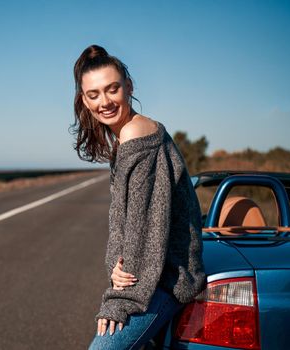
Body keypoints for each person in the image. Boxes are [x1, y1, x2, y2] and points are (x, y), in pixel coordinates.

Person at [71, 45, 206, 350]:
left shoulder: (137, 136)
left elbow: (145, 227)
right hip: (149, 273)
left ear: (128, 87)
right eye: (94, 94)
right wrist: (114, 266)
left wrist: (120, 301)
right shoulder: (124, 136)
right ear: (84, 100)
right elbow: (123, 218)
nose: (104, 101)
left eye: (112, 89)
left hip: (169, 276)